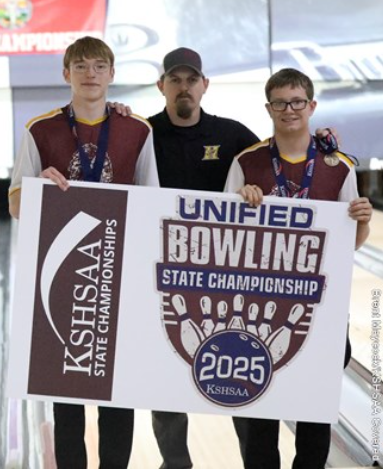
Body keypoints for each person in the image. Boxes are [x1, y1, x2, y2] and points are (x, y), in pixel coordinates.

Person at [8, 36, 159, 468]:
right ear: (65, 74)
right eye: (80, 66)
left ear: (112, 74)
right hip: (62, 283)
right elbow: (16, 205)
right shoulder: (40, 129)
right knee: (66, 398)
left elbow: (151, 203)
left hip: (119, 278)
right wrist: (40, 189)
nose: (89, 74)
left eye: (98, 66)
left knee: (118, 394)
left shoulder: (138, 130)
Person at [225, 67, 372, 469]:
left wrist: (362, 220)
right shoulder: (247, 163)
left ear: (311, 106)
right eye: (280, 103)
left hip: (320, 308)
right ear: (268, 108)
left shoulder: (338, 166)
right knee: (260, 415)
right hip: (258, 308)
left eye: (296, 102)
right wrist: (240, 202)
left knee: (313, 417)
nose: (288, 110)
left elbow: (351, 243)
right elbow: (225, 239)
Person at [147, 47, 259, 469]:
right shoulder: (141, 132)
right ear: (161, 86)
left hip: (225, 280)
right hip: (163, 275)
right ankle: (175, 463)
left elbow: (279, 163)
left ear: (204, 85)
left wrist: (327, 149)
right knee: (164, 376)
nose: (184, 87)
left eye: (191, 79)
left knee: (240, 368)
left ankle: (256, 460)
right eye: (175, 80)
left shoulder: (233, 136)